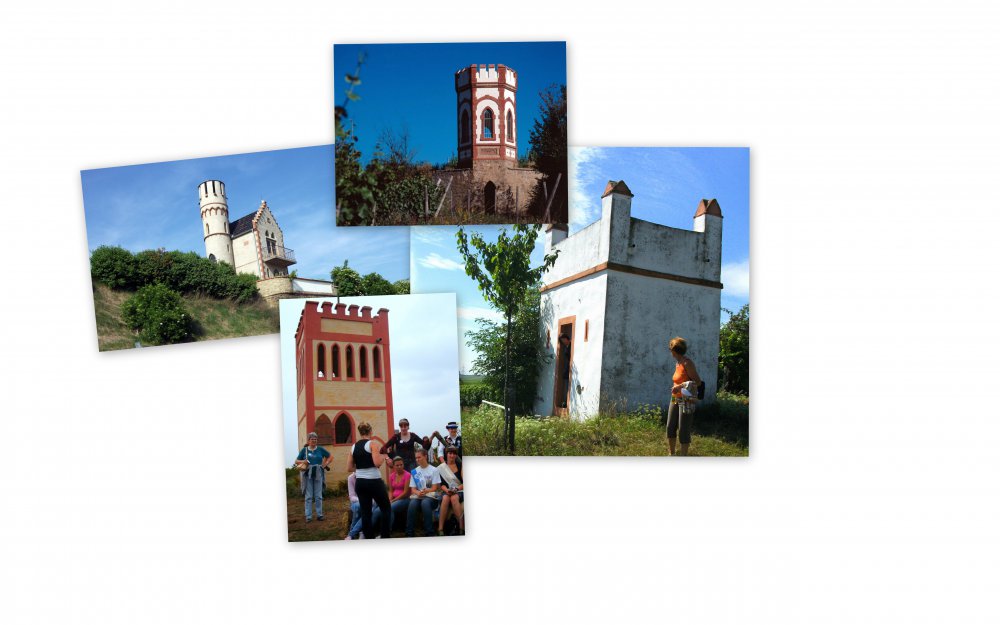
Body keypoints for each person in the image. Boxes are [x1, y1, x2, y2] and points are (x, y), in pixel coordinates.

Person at [347, 421, 392, 539]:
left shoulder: (353, 447)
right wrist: (383, 457)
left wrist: (361, 467)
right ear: (371, 431)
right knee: (386, 509)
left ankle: (369, 539)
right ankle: (384, 536)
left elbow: (349, 467)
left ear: (359, 433)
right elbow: (377, 463)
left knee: (366, 513)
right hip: (374, 481)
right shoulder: (373, 444)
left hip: (360, 482)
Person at [666, 337, 702, 456]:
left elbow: (698, 382)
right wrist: (675, 387)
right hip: (674, 398)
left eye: (670, 349)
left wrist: (680, 386)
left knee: (683, 430)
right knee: (670, 427)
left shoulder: (687, 363)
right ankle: (671, 454)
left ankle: (683, 457)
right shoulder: (678, 363)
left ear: (674, 351)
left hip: (686, 400)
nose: (670, 351)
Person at [295, 432, 331, 522]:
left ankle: (319, 515)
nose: (314, 440)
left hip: (318, 473)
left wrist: (325, 464)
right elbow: (296, 461)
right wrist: (304, 460)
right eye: (312, 439)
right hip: (307, 475)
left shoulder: (320, 449)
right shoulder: (304, 450)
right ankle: (308, 516)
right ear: (309, 440)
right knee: (308, 496)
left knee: (318, 496)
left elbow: (330, 456)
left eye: (315, 439)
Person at [405, 448, 441, 537]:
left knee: (425, 503)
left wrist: (425, 491)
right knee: (412, 504)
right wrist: (418, 493)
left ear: (425, 456)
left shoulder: (434, 470)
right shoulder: (415, 471)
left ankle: (430, 532)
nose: (417, 460)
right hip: (419, 496)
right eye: (416, 458)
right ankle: (409, 532)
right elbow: (413, 489)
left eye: (419, 457)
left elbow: (435, 488)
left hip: (431, 497)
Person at [345, 471, 382, 540]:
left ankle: (352, 534)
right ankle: (360, 532)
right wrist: (363, 500)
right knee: (361, 507)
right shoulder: (351, 478)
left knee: (370, 509)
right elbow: (352, 496)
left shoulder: (369, 476)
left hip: (370, 502)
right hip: (356, 502)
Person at [436, 446, 464, 536]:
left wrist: (456, 489)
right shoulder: (441, 468)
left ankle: (461, 527)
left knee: (454, 498)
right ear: (446, 454)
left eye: (454, 454)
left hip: (459, 490)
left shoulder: (460, 466)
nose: (452, 456)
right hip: (447, 491)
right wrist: (447, 490)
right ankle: (440, 528)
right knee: (445, 498)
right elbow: (442, 485)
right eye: (450, 453)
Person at [387, 456, 411, 532]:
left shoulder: (408, 475)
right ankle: (369, 528)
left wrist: (393, 500)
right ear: (394, 466)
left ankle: (387, 531)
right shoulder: (391, 476)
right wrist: (390, 499)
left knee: (389, 508)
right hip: (394, 499)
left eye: (401, 464)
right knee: (377, 508)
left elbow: (405, 492)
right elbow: (390, 491)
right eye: (397, 465)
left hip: (404, 499)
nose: (400, 466)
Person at [557, 333, 572, 408]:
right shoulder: (566, 346)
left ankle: (566, 402)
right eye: (562, 341)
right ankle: (564, 402)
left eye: (564, 340)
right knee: (565, 385)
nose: (563, 342)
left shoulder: (571, 345)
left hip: (570, 368)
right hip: (566, 368)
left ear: (566, 338)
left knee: (568, 386)